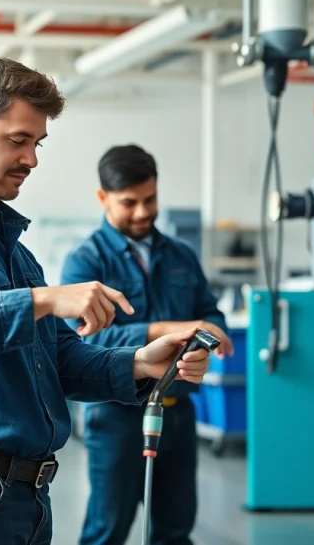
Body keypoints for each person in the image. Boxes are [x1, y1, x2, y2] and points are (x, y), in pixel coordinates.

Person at [0, 56, 222, 545]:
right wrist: (45, 299)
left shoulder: (10, 246)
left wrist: (139, 362)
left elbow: (56, 358)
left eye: (37, 143)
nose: (32, 159)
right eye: (18, 140)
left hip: (23, 496)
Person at [61, 145, 233, 545]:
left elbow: (211, 315)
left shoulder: (181, 255)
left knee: (175, 532)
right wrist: (169, 329)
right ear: (103, 197)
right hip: (116, 417)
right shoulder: (84, 262)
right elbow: (85, 340)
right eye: (129, 202)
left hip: (179, 415)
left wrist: (205, 343)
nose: (142, 212)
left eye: (150, 199)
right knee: (108, 531)